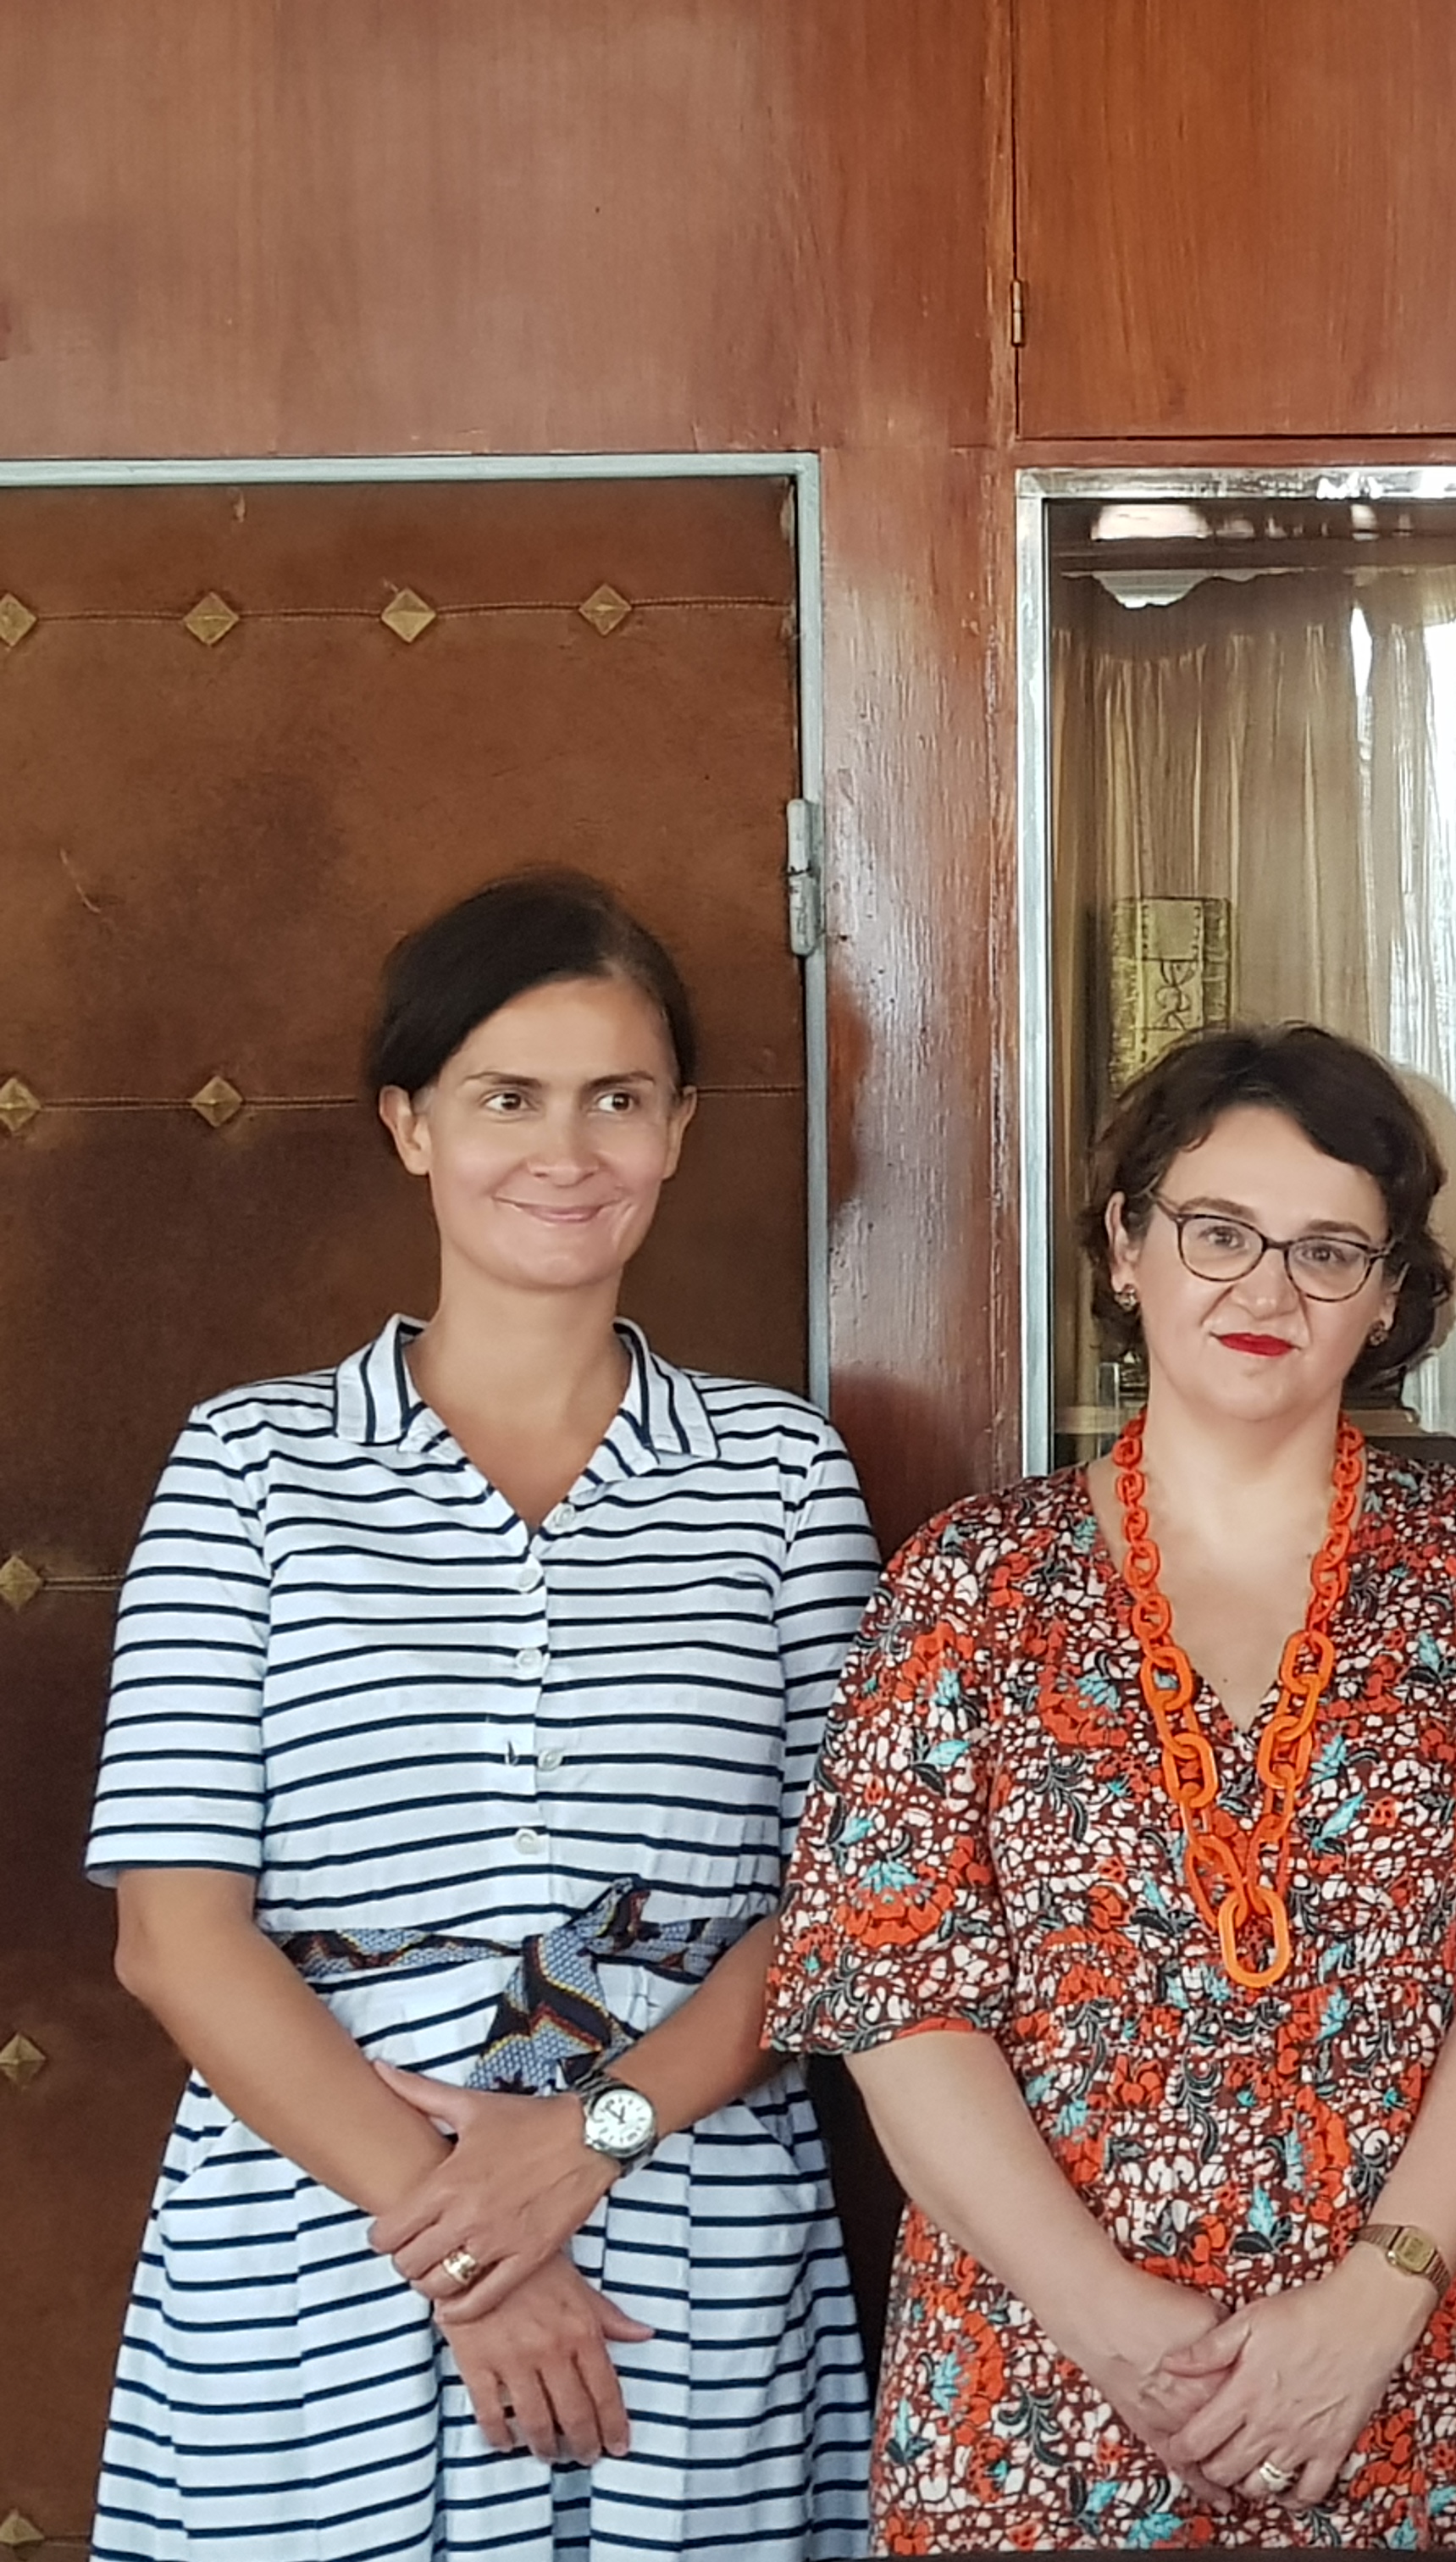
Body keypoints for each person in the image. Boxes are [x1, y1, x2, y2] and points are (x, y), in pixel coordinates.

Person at [766, 1021, 1456, 2550]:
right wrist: (1108, 2324)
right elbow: (895, 2000)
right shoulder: (971, 1582)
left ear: (1386, 1298)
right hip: (1038, 2392)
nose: (1265, 1290)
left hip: (1426, 2379)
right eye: (1218, 1232)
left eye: (1327, 1253)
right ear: (1125, 1245)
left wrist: (1377, 2301)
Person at [86, 873, 876, 2560]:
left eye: (617, 1098)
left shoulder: (781, 1478)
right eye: (506, 1097)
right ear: (411, 1124)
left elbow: (841, 1913)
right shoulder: (250, 1466)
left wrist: (584, 2148)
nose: (566, 1150)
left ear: (675, 1128)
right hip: (323, 2232)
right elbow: (175, 1936)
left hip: (685, 2213)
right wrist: (468, 2242)